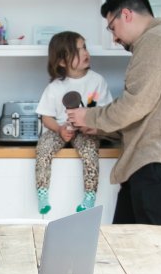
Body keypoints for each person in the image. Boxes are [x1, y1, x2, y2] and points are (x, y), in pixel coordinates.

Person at [66, 0, 161, 233]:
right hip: (152, 165)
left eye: (112, 28)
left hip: (158, 164)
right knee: (128, 253)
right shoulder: (159, 40)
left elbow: (136, 104)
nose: (114, 38)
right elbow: (147, 112)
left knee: (149, 259)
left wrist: (90, 116)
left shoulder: (154, 40)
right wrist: (99, 127)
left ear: (126, 15)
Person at [35, 31, 112, 215]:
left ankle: (89, 196)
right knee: (43, 148)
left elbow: (106, 112)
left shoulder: (97, 81)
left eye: (84, 47)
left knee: (90, 152)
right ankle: (42, 192)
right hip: (60, 129)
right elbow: (46, 117)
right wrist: (60, 129)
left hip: (86, 130)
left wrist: (92, 126)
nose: (85, 52)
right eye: (77, 50)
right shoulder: (55, 87)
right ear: (62, 61)